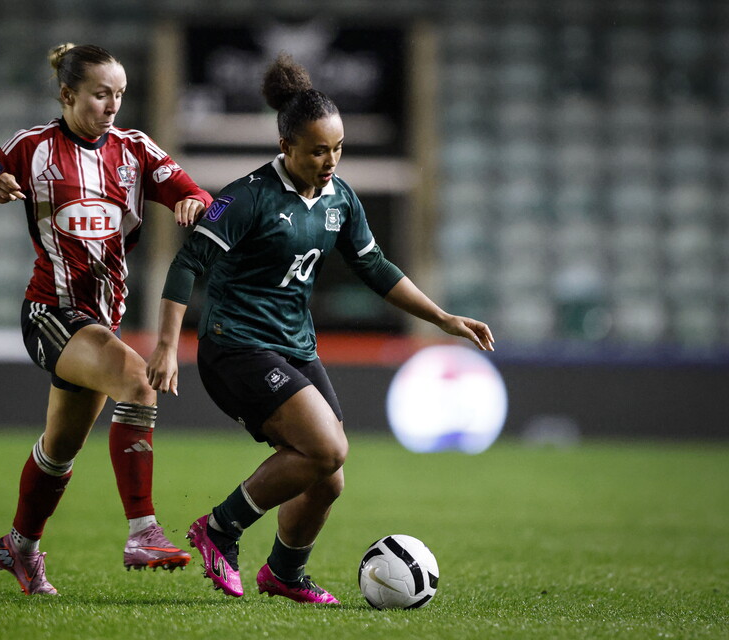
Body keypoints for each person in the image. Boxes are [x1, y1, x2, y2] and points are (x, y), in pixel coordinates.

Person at [146, 54, 494, 605]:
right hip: (234, 346)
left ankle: (283, 574)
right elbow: (186, 264)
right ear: (286, 147)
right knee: (326, 448)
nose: (329, 160)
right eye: (317, 150)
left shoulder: (340, 199)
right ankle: (219, 530)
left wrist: (443, 318)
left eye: (337, 148)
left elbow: (377, 269)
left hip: (293, 347)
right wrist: (167, 346)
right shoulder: (248, 197)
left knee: (327, 475)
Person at [0, 43, 213, 595]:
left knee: (58, 451)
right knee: (139, 382)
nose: (113, 104)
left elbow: (195, 191)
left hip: (101, 322)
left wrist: (194, 201)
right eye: (100, 94)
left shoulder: (134, 150)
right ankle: (143, 530)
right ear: (68, 95)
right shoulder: (30, 148)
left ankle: (19, 547)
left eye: (119, 94)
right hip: (50, 312)